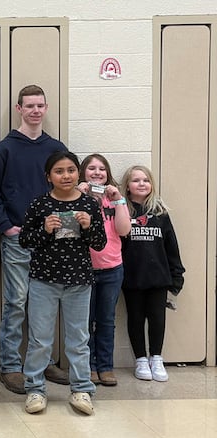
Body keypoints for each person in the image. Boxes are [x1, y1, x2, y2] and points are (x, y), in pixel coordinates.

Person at [0, 84, 69, 394]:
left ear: (46, 109)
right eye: (29, 106)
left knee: (44, 302)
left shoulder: (56, 148)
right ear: (19, 109)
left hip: (51, 240)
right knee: (16, 302)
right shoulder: (3, 149)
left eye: (40, 106)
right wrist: (7, 227)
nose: (35, 110)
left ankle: (41, 362)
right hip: (18, 239)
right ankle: (10, 366)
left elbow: (65, 190)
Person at [20, 152, 106, 416]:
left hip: (79, 281)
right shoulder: (40, 205)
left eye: (70, 170)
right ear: (49, 176)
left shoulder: (90, 205)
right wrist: (44, 230)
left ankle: (81, 389)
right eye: (59, 171)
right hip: (44, 280)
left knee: (79, 339)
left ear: (77, 174)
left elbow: (99, 243)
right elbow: (25, 240)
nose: (65, 175)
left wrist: (89, 226)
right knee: (40, 339)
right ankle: (35, 389)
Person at [120, 165, 185, 382]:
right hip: (133, 278)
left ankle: (156, 358)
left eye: (145, 180)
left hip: (158, 278)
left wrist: (177, 275)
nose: (141, 184)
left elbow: (171, 247)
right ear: (127, 187)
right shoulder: (122, 212)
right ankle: (140, 359)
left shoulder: (160, 214)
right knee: (136, 318)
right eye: (136, 180)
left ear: (152, 185)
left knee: (157, 319)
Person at [76, 154, 131, 386]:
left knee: (106, 320)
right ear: (83, 173)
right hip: (84, 269)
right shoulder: (76, 197)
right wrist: (79, 196)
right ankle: (88, 366)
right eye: (91, 168)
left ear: (108, 174)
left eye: (102, 169)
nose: (97, 172)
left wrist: (118, 200)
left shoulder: (114, 199)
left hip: (112, 268)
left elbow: (124, 230)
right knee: (85, 322)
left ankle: (105, 366)